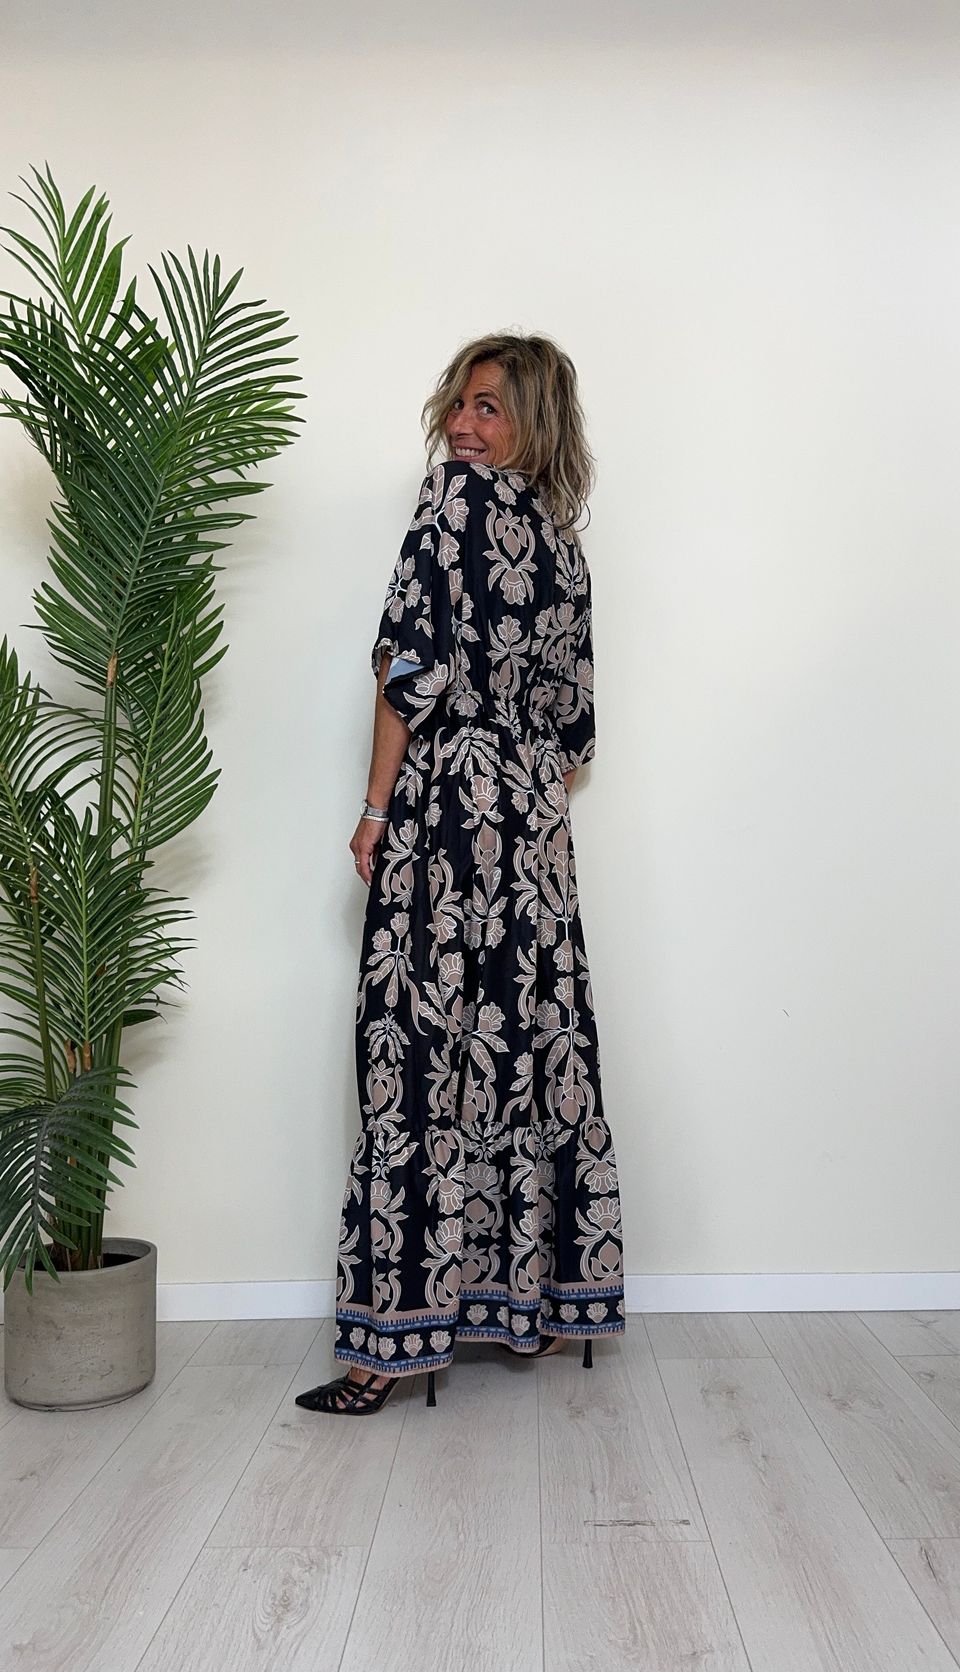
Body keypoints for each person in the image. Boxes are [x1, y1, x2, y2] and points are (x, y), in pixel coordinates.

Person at [295, 333, 624, 1416]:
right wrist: (527, 819)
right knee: (527, 1048)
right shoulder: (566, 550)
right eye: (458, 405)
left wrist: (375, 807)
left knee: (417, 1051)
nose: (461, 426)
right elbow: (572, 727)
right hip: (531, 829)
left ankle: (387, 1349)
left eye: (488, 407)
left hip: (444, 810)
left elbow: (407, 667)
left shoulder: (449, 504)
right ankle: (531, 1304)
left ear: (533, 423)